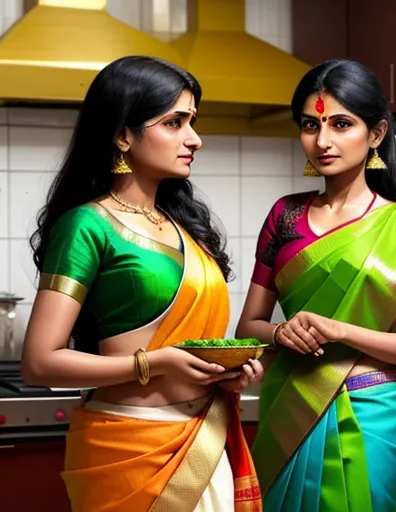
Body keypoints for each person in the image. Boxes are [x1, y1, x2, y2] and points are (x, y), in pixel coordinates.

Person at [22, 56, 263, 512]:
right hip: (129, 447)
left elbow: (190, 346)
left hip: (205, 438)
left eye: (192, 122)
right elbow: (39, 362)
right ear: (122, 134)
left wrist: (229, 373)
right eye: (174, 122)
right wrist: (160, 363)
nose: (194, 138)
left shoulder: (185, 228)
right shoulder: (88, 226)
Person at [235, 59, 396, 512]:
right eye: (310, 125)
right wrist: (279, 332)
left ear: (375, 135)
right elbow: (249, 326)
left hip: (373, 409)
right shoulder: (285, 216)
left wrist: (341, 332)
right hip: (290, 404)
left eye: (340, 124)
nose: (323, 141)